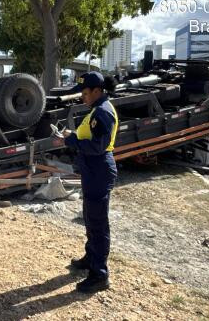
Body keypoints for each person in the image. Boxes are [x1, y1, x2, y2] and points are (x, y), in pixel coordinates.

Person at [61, 71, 118, 293]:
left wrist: (71, 139)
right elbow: (90, 138)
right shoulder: (96, 109)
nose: (82, 97)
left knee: (97, 222)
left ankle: (100, 275)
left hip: (98, 169)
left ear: (97, 91)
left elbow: (97, 147)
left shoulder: (102, 113)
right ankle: (91, 258)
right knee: (89, 216)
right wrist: (71, 136)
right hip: (92, 170)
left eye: (85, 93)